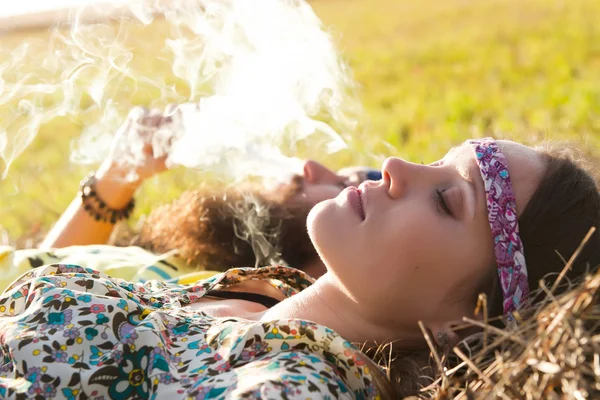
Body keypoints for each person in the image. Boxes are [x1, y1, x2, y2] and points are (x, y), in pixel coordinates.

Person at [0, 130, 598, 398]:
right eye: (433, 161)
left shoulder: (290, 387)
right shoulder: (246, 290)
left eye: (445, 200)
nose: (392, 165)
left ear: (468, 321)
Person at [36, 106, 383, 280]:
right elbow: (41, 271)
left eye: (341, 186)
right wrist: (117, 177)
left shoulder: (234, 312)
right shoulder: (199, 260)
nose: (311, 166)